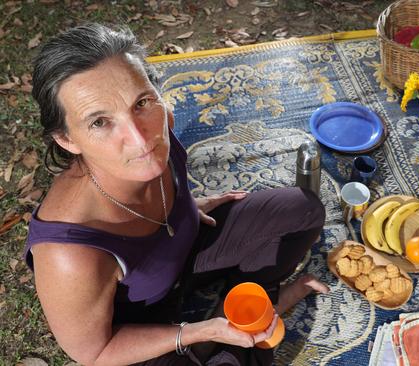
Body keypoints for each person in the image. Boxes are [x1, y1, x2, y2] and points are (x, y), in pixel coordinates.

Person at [24, 23, 329, 366]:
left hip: (182, 255)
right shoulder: (68, 254)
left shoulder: (160, 123)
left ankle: (250, 310)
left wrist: (183, 206)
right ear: (67, 139)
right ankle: (229, 335)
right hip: (137, 326)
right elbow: (94, 352)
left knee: (303, 211)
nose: (141, 139)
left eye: (140, 102)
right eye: (100, 122)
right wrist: (197, 332)